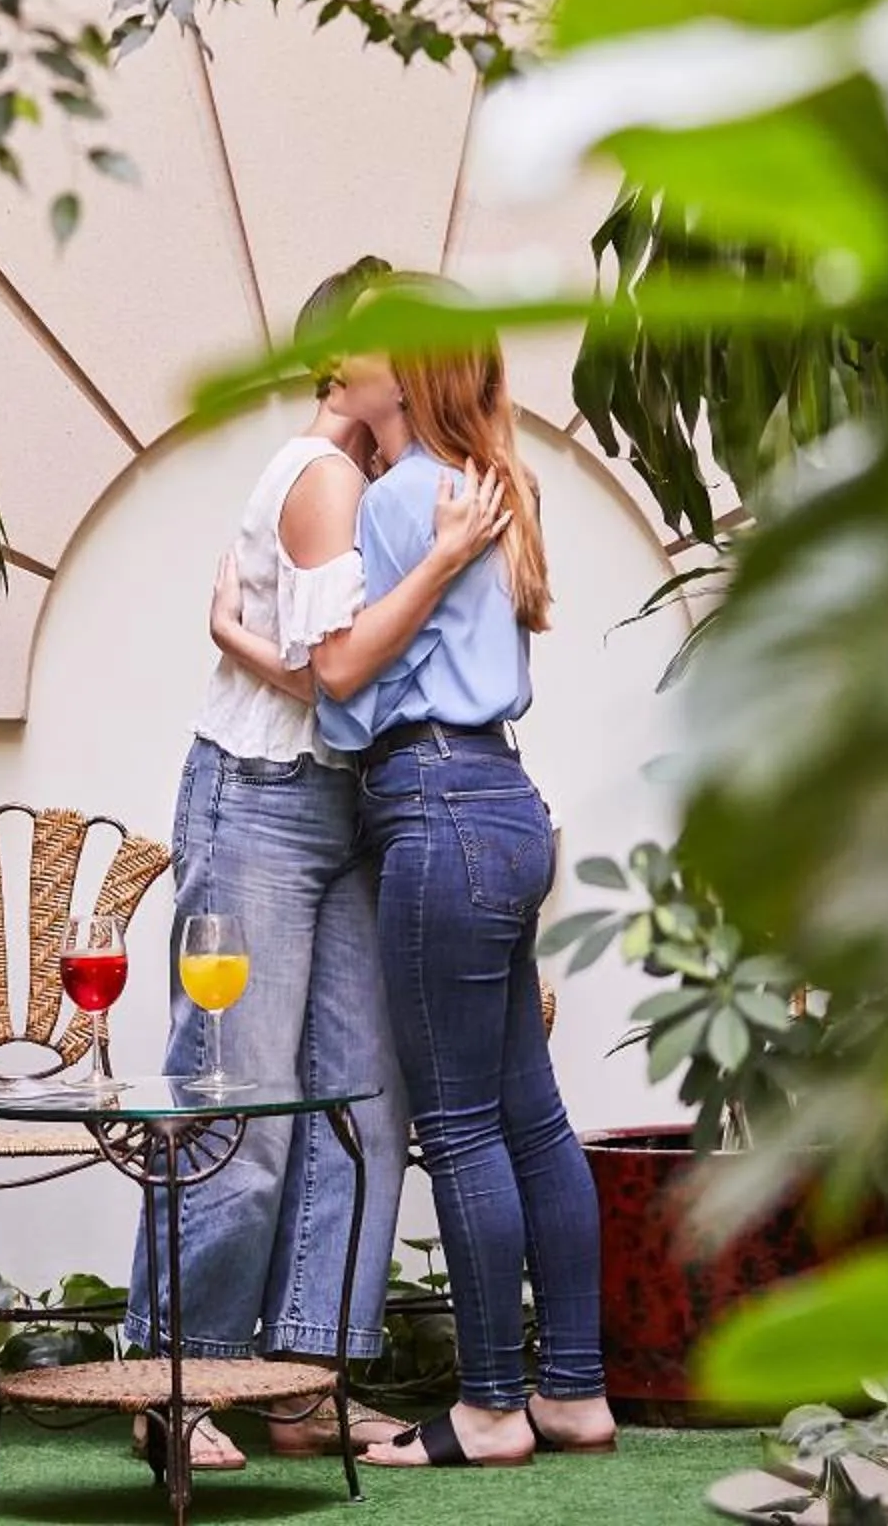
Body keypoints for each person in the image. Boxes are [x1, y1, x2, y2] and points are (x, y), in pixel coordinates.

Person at [124, 256, 508, 1472]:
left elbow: (367, 677)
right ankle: (170, 1379)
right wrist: (436, 567)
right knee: (238, 1104)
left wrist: (245, 633)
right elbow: (340, 674)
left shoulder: (392, 480)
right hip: (265, 806)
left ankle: (302, 1378)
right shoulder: (324, 473)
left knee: (360, 1104)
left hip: (355, 811)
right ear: (342, 359)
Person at [312, 298, 615, 1471]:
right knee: (532, 1115)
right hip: (504, 801)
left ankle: (491, 1403)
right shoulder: (503, 485)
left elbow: (346, 691)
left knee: (461, 1121)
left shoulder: (401, 500)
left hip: (433, 805)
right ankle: (575, 1388)